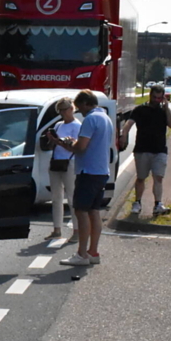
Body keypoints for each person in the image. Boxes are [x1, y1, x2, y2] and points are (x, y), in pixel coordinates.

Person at [49, 90, 113, 267]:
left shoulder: (90, 119)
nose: (79, 111)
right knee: (94, 211)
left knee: (81, 211)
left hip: (88, 171)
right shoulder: (105, 118)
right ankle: (93, 252)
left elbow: (81, 147)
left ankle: (82, 253)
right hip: (101, 171)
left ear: (86, 103)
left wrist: (65, 143)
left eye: (79, 107)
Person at [119, 84, 171, 217]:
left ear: (163, 98)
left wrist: (167, 108)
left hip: (160, 150)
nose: (156, 100)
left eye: (159, 98)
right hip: (142, 149)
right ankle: (137, 203)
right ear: (150, 96)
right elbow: (129, 124)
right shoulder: (140, 109)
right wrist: (123, 135)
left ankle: (158, 204)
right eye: (154, 97)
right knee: (141, 178)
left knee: (158, 177)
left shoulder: (163, 112)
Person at [43, 97, 82, 240]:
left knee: (72, 198)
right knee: (56, 198)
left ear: (72, 109)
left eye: (64, 110)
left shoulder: (77, 126)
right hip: (56, 162)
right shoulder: (59, 125)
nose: (62, 113)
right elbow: (51, 146)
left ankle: (77, 231)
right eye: (60, 111)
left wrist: (58, 142)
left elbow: (75, 147)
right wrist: (51, 140)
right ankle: (57, 229)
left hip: (70, 162)